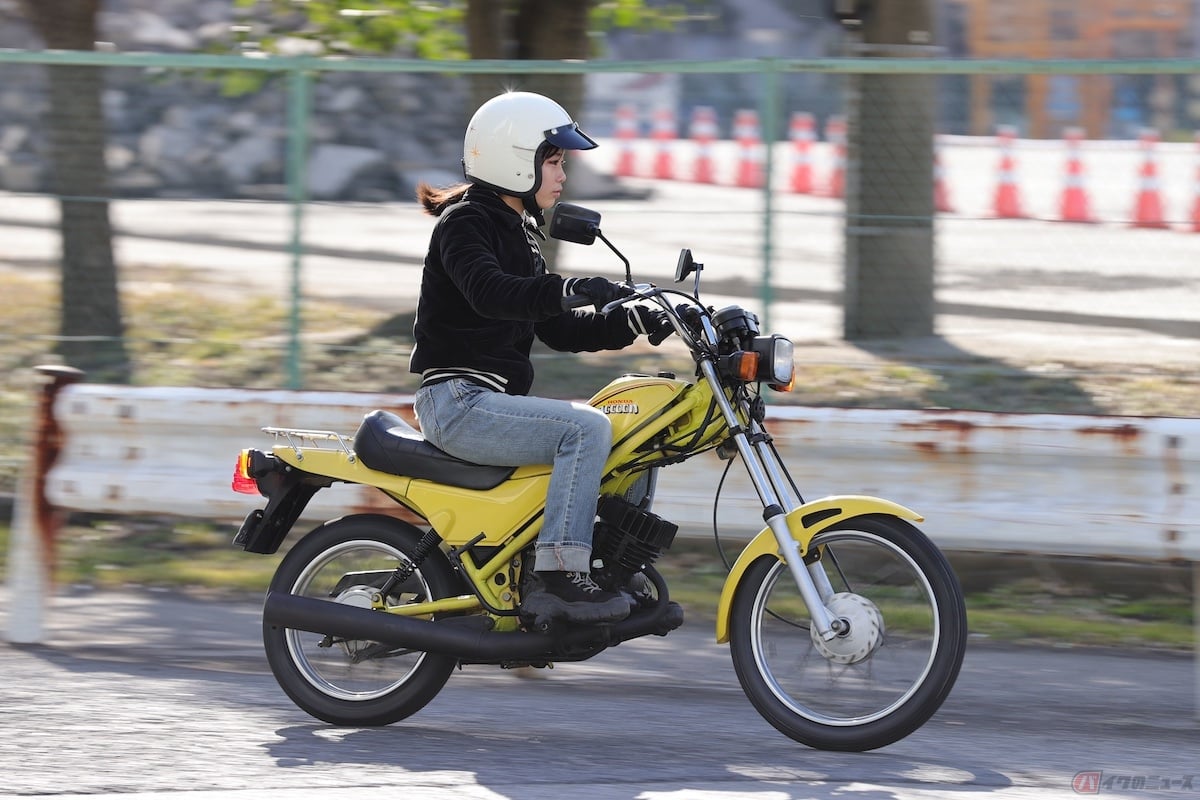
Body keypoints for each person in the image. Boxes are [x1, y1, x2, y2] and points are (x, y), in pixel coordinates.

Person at [410, 91, 671, 625]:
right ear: (514, 159)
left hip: (487, 401)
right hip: (457, 400)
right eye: (553, 161)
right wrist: (567, 286)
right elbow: (490, 291)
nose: (561, 174)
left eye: (561, 164)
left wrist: (634, 322)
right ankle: (557, 574)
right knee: (586, 430)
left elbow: (557, 330)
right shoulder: (465, 223)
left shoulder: (519, 233)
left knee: (633, 432)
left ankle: (603, 566)